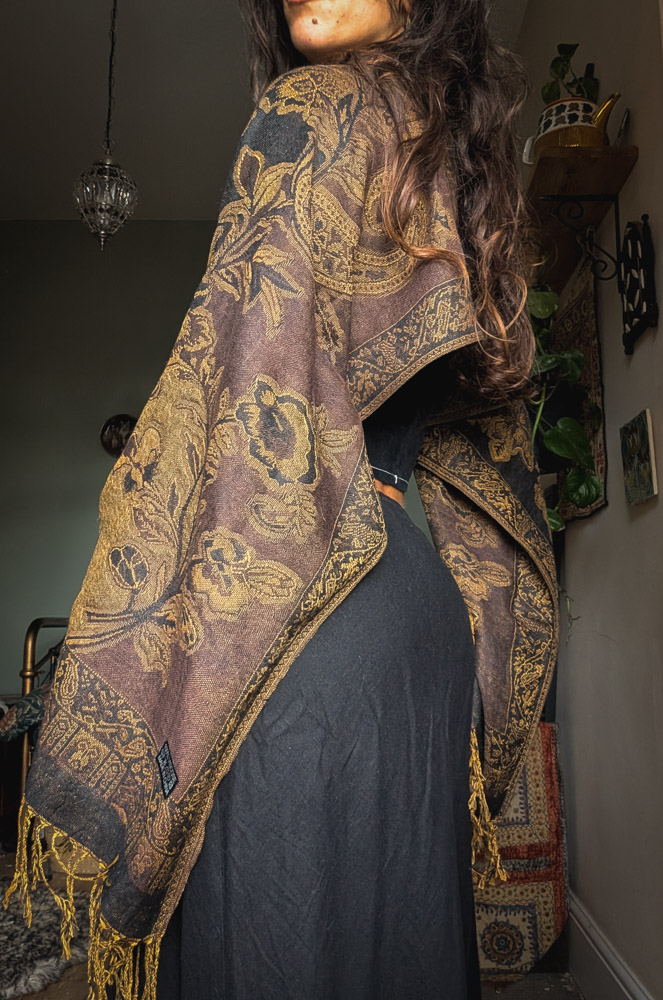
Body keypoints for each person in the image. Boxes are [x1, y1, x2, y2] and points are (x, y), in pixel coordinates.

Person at [6, 2, 559, 999]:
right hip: (417, 621)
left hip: (305, 628)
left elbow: (230, 387)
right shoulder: (452, 163)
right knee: (397, 939)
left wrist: (144, 493)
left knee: (271, 934)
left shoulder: (315, 107)